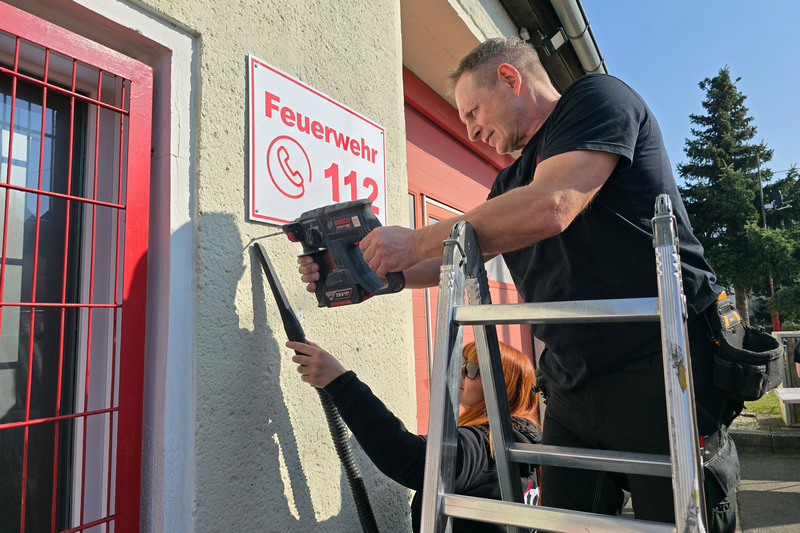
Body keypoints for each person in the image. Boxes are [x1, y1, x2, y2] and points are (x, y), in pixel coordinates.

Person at [298, 37, 740, 531]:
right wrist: (368, 274)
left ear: (510, 78)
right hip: (573, 381)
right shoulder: (508, 186)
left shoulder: (597, 98)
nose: (470, 129)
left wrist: (415, 239)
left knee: (677, 520)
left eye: (473, 111)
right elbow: (455, 260)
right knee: (563, 526)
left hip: (657, 363)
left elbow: (553, 205)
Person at [289, 339, 542, 532]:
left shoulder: (485, 445)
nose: (461, 371)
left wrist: (341, 383)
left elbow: (414, 459)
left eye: (473, 368)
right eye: (462, 362)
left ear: (500, 389)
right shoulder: (524, 446)